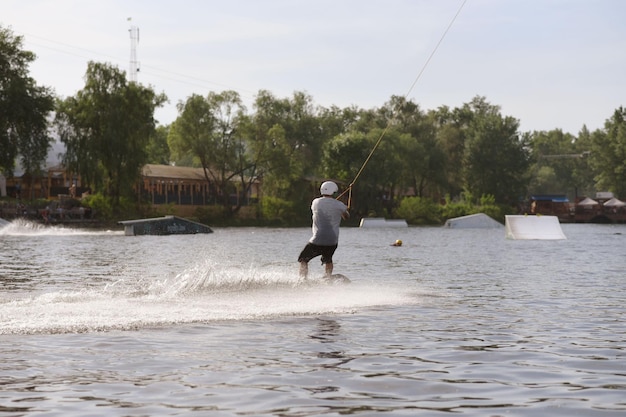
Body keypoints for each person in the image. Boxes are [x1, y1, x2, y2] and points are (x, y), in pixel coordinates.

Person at [298, 181, 350, 279]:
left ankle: (303, 280)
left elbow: (322, 208)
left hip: (317, 239)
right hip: (332, 240)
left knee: (303, 259)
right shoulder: (339, 205)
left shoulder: (315, 202)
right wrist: (343, 209)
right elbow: (346, 217)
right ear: (334, 192)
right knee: (328, 259)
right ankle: (328, 278)